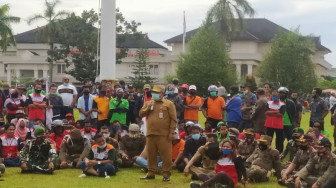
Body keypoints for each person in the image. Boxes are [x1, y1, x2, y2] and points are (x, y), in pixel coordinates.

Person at [139, 85, 177, 181]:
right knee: (151, 154)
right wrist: (148, 108)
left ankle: (166, 174)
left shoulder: (169, 104)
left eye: (156, 93)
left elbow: (173, 119)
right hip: (151, 133)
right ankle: (151, 172)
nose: (154, 94)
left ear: (162, 94)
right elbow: (141, 114)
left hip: (164, 134)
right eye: (153, 93)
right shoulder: (149, 103)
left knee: (166, 155)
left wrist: (172, 132)